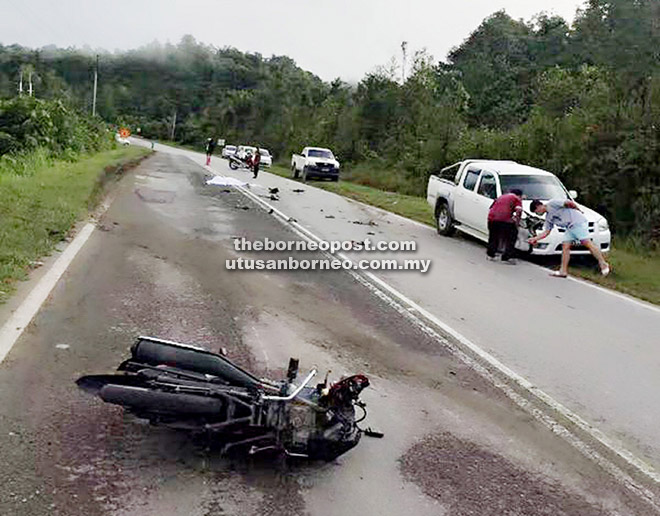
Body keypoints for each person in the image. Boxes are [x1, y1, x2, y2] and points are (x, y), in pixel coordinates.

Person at [528, 199, 611, 277]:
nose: (538, 213)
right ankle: (563, 271)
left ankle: (603, 263)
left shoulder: (552, 203)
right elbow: (546, 232)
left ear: (539, 206)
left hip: (578, 223)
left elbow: (568, 202)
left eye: (537, 211)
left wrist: (578, 209)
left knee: (587, 243)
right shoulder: (549, 218)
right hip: (570, 228)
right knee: (565, 246)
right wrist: (535, 239)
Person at [487, 189, 523, 263]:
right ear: (519, 195)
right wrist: (517, 223)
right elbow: (518, 211)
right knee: (512, 237)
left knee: (493, 236)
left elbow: (491, 207)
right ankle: (507, 257)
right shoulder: (516, 198)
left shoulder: (501, 197)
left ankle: (490, 255)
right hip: (504, 220)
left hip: (492, 219)